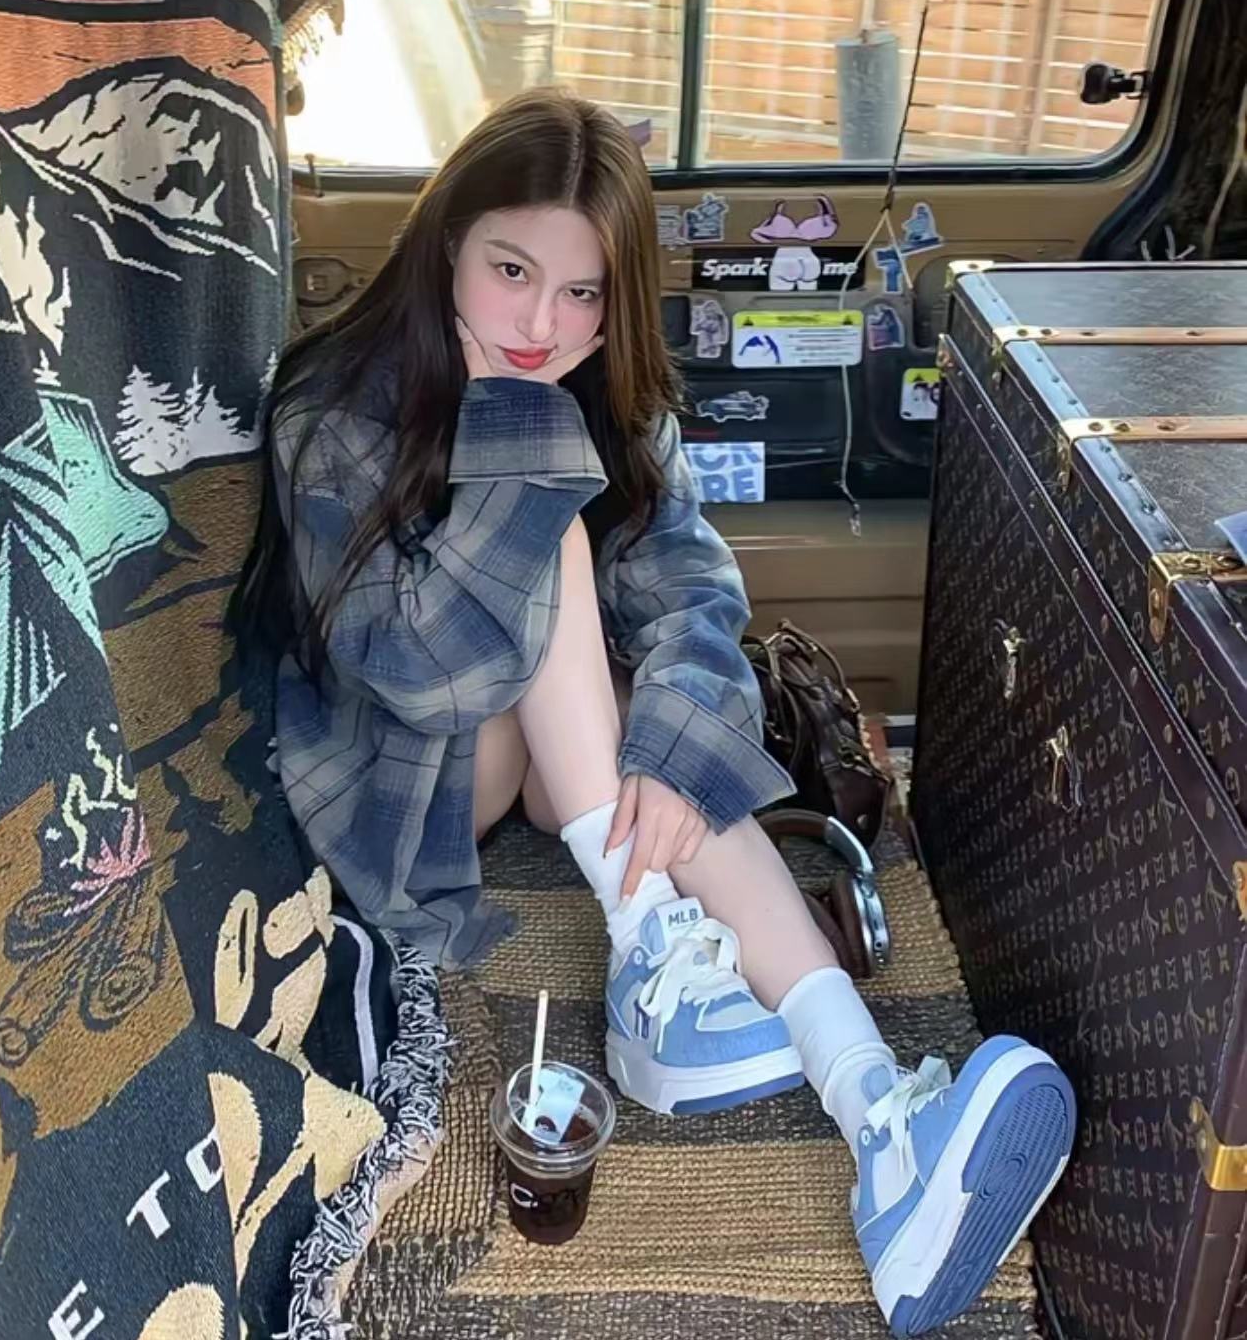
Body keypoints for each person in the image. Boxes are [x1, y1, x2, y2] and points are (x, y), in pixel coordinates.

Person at [234, 89, 1075, 1338]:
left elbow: (691, 593)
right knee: (556, 541)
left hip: (529, 752)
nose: (542, 323)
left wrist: (675, 756)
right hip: (391, 782)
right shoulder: (336, 404)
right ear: (447, 242)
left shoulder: (606, 394)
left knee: (665, 731)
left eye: (583, 293)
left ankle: (879, 1119)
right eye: (511, 270)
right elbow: (420, 674)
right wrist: (520, 437)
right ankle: (650, 950)